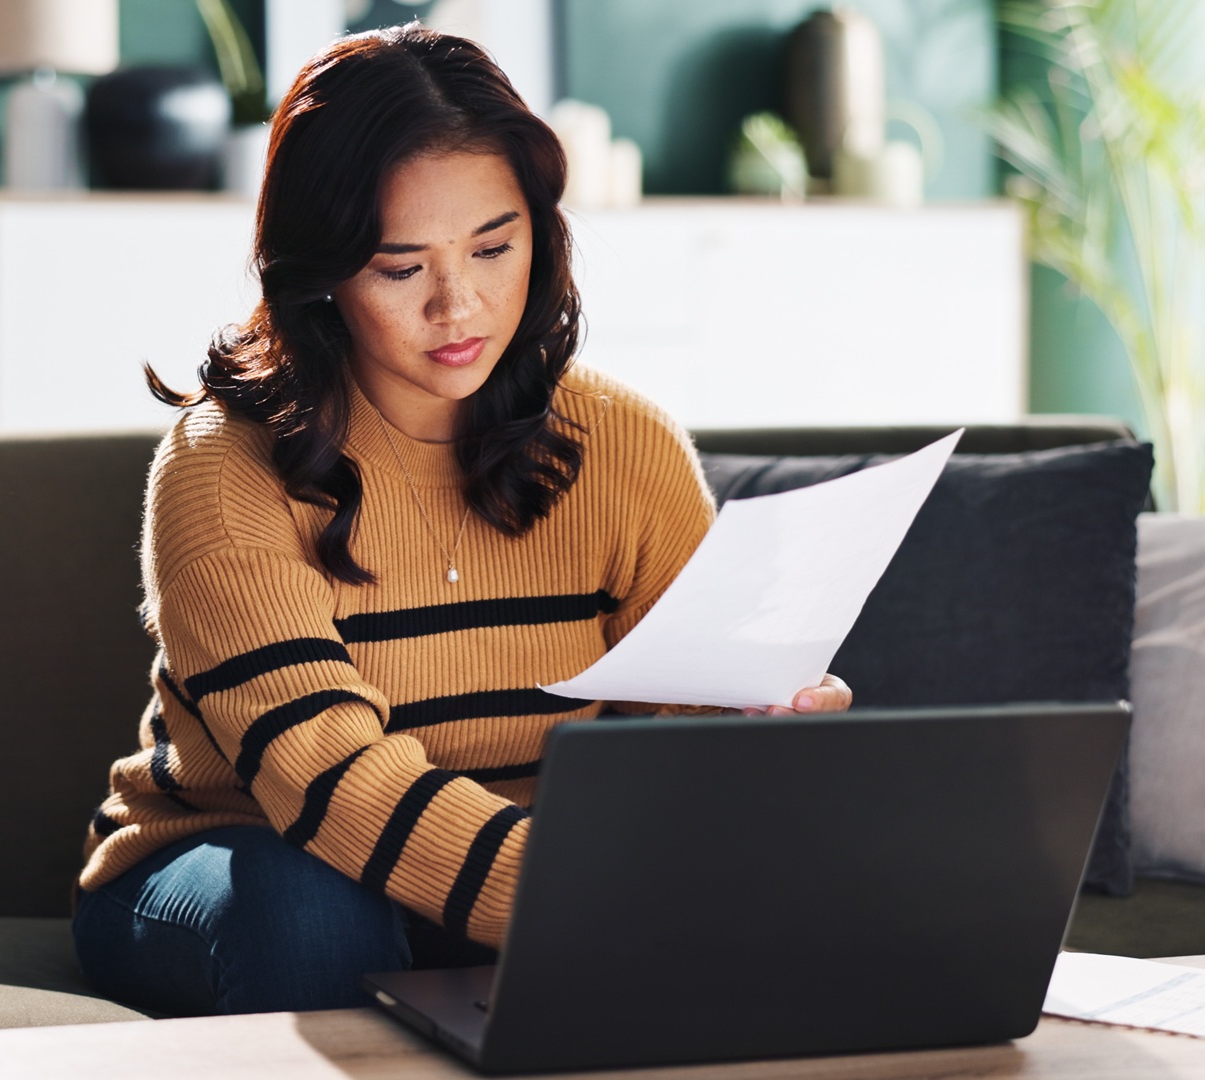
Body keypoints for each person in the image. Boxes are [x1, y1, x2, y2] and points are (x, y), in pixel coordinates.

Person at [72, 23, 852, 1017]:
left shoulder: (621, 443)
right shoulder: (224, 471)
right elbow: (330, 786)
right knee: (312, 902)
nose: (461, 305)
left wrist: (757, 719)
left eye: (494, 246)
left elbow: (673, 723)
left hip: (528, 881)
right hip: (233, 862)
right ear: (319, 273)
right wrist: (601, 897)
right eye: (401, 269)